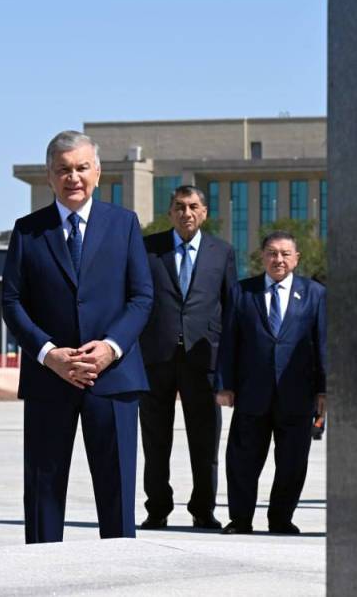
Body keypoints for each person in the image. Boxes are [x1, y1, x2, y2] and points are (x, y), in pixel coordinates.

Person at [1, 130, 153, 543]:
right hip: (49, 380)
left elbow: (142, 297)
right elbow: (12, 302)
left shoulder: (124, 224)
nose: (73, 177)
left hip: (114, 378)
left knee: (117, 492)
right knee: (43, 493)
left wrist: (110, 348)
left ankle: (120, 570)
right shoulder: (27, 231)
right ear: (49, 176)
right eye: (63, 169)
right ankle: (43, 571)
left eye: (82, 168)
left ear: (97, 173)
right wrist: (48, 354)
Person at [138, 185, 237, 531]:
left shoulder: (222, 252)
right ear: (170, 213)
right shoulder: (148, 249)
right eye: (179, 207)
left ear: (204, 213)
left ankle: (203, 509)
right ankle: (157, 509)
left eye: (193, 206)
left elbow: (231, 308)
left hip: (203, 358)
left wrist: (228, 367)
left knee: (205, 441)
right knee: (155, 440)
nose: (187, 213)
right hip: (156, 357)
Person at [215, 230, 327, 535]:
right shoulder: (242, 292)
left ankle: (281, 519)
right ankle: (240, 519)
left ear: (296, 258)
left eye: (285, 254)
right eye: (272, 253)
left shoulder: (315, 293)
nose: (279, 259)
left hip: (298, 394)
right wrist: (224, 384)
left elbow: (323, 344)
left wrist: (324, 389)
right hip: (252, 392)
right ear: (262, 257)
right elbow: (229, 341)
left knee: (293, 462)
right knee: (242, 460)